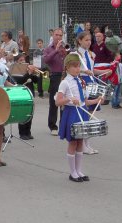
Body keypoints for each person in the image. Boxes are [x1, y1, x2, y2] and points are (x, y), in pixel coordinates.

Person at [56, 53, 104, 182]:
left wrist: (97, 100)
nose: (77, 69)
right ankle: (72, 172)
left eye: (78, 66)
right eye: (74, 66)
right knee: (73, 142)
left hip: (82, 112)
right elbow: (58, 102)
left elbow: (85, 101)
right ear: (67, 68)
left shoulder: (81, 81)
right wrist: (69, 99)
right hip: (71, 113)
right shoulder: (65, 83)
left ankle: (79, 170)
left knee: (80, 142)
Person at [76, 30, 99, 154]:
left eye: (90, 40)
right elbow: (73, 69)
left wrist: (106, 70)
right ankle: (82, 145)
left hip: (91, 83)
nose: (89, 42)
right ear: (80, 41)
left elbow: (92, 70)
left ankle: (87, 143)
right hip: (82, 83)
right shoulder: (75, 54)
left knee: (90, 114)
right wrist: (85, 72)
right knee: (84, 114)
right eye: (86, 40)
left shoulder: (91, 54)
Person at [43, 28, 67, 135]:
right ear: (53, 36)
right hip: (55, 76)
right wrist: (56, 50)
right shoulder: (48, 49)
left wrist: (66, 51)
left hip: (65, 76)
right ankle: (53, 126)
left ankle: (63, 125)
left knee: (64, 102)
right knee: (54, 101)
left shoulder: (65, 47)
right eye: (56, 35)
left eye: (60, 35)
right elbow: (46, 60)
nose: (58, 37)